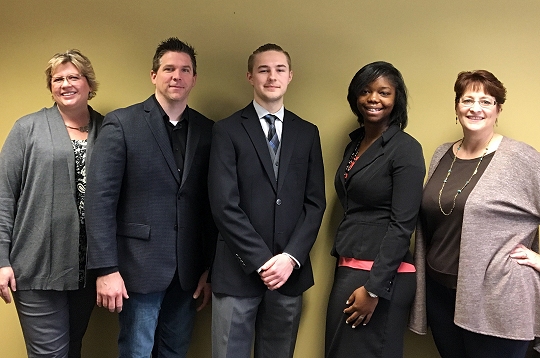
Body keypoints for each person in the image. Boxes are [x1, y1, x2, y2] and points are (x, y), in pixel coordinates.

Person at [85, 37, 216, 358]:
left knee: (174, 351)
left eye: (185, 70)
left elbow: (211, 206)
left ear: (194, 79)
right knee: (136, 352)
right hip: (136, 269)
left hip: (188, 271)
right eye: (169, 68)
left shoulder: (207, 130)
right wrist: (105, 269)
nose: (177, 76)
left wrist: (209, 268)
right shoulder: (122, 123)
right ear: (154, 75)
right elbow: (99, 201)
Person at [409, 70, 540, 358]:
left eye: (486, 101)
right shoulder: (442, 153)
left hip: (497, 297)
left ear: (498, 109)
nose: (475, 108)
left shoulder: (521, 158)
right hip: (440, 293)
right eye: (467, 99)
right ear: (457, 107)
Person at [208, 43, 326, 358]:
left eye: (279, 70)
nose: (271, 77)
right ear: (250, 76)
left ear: (290, 77)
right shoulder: (227, 130)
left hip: (290, 275)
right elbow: (223, 205)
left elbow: (315, 204)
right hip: (238, 273)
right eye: (263, 70)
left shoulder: (307, 133)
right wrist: (262, 261)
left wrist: (290, 258)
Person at [0, 50, 102, 357]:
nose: (65, 84)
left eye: (73, 77)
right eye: (58, 79)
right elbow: (4, 194)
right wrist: (1, 259)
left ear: (88, 84)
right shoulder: (27, 128)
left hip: (86, 269)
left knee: (72, 349)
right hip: (36, 267)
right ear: (51, 86)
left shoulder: (109, 130)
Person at [324, 61, 425, 358]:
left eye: (384, 92)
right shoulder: (355, 145)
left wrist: (374, 289)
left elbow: (403, 224)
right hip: (350, 264)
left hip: (379, 276)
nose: (373, 99)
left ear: (396, 100)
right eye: (365, 91)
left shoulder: (405, 148)